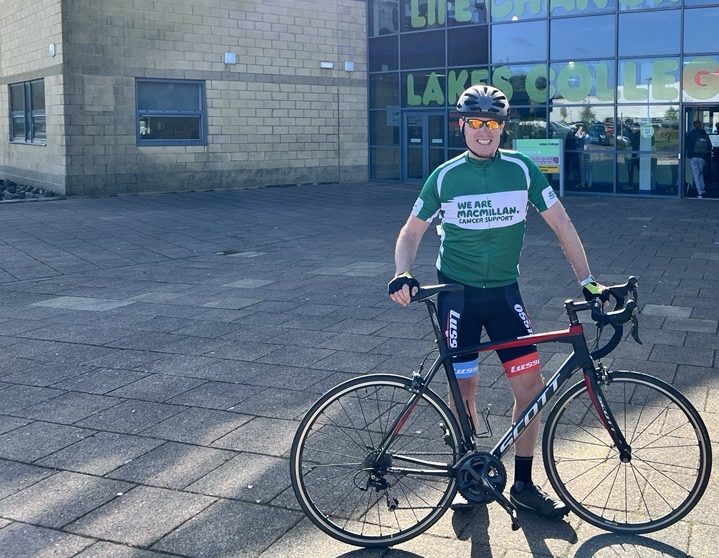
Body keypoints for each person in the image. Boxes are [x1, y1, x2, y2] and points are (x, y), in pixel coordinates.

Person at [387, 85, 605, 520]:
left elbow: (562, 224)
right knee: (463, 389)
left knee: (530, 389)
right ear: (462, 126)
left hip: (505, 295)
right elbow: (411, 234)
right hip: (457, 297)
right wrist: (402, 272)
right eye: (476, 122)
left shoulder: (523, 170)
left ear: (503, 128)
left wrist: (588, 280)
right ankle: (468, 472)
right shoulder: (445, 176)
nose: (484, 131)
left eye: (493, 123)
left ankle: (523, 484)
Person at [686, 120, 711, 198]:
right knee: (700, 173)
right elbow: (709, 146)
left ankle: (699, 193)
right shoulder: (704, 134)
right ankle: (703, 188)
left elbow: (687, 145)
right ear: (701, 125)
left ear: (694, 125)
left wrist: (689, 154)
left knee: (696, 174)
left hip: (693, 157)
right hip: (702, 157)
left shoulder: (691, 134)